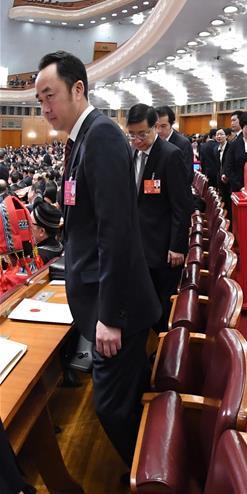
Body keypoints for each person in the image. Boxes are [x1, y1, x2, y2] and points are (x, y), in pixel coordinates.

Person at [35, 51, 159, 464]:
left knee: (111, 408)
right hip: (104, 302)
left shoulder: (101, 136)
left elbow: (116, 233)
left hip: (117, 312)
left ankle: (154, 477)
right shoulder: (81, 140)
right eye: (39, 101)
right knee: (126, 401)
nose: (45, 108)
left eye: (50, 95)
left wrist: (110, 316)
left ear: (78, 89)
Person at [126, 103, 191, 332]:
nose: (137, 139)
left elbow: (182, 206)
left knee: (161, 304)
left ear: (155, 127)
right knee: (143, 301)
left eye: (142, 133)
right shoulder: (132, 151)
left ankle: (163, 352)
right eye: (132, 134)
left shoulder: (170, 155)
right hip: (138, 243)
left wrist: (177, 246)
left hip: (162, 246)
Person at [155, 105, 194, 180]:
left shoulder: (183, 143)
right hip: (154, 189)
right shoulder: (153, 142)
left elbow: (187, 175)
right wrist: (149, 190)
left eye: (163, 126)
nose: (158, 130)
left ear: (171, 124)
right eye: (155, 126)